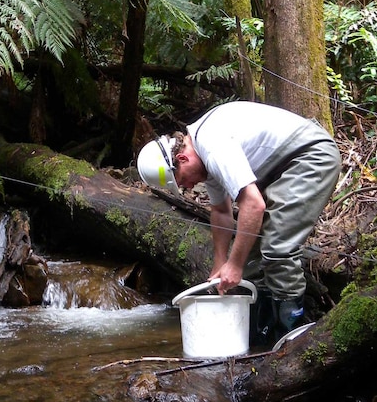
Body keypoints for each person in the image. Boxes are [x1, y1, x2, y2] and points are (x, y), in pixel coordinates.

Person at [137, 100, 341, 343]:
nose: (188, 187)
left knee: (278, 249)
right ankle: (260, 343)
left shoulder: (213, 147)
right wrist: (220, 261)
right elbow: (221, 211)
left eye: (181, 181)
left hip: (310, 156)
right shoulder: (203, 155)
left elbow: (253, 204)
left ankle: (290, 342)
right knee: (253, 263)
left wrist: (234, 265)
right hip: (284, 168)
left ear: (182, 158)